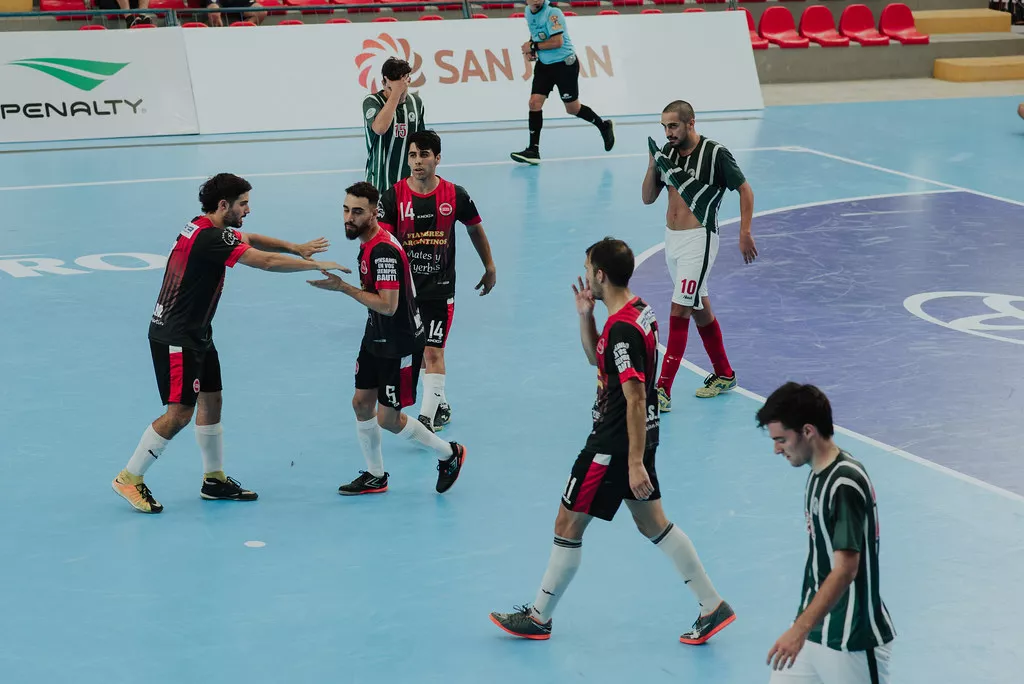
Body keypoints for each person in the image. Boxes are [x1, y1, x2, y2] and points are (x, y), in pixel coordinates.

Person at [489, 237, 734, 644]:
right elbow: (594, 358)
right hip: (637, 437)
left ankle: (539, 616)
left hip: (613, 444)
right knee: (652, 522)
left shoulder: (622, 331)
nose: (585, 275)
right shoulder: (637, 311)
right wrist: (586, 316)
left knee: (566, 523)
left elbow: (636, 395)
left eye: (588, 269)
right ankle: (712, 606)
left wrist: (634, 461)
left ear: (600, 275)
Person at [112, 173, 347, 514]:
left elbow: (248, 237)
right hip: (176, 337)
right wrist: (310, 264)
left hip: (197, 333)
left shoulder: (201, 225)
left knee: (212, 401)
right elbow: (262, 260)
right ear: (224, 205)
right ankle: (129, 477)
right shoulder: (210, 238)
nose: (248, 210)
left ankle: (214, 480)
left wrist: (294, 247)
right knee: (179, 414)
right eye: (243, 204)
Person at [308, 181, 467, 496]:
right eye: (345, 210)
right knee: (361, 402)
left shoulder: (382, 250)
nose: (348, 218)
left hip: (399, 343)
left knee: (388, 418)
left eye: (357, 212)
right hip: (376, 335)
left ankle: (449, 453)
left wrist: (343, 288)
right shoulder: (369, 241)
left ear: (374, 212)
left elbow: (389, 305)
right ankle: (375, 475)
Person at [756, 382, 896, 684]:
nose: (776, 449)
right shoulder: (818, 474)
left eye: (781, 440)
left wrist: (799, 630)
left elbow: (846, 569)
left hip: (852, 639)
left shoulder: (843, 482)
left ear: (808, 431)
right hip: (815, 628)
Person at [377, 130, 497, 432]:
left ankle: (427, 419)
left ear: (437, 159)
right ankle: (440, 402)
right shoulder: (392, 197)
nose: (418, 162)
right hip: (405, 292)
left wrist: (489, 266)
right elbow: (382, 244)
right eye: (413, 155)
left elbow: (474, 229)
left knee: (433, 351)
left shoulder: (455, 194)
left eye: (425, 155)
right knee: (417, 353)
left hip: (440, 290)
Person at [643, 99, 758, 409]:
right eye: (664, 127)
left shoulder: (716, 154)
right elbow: (647, 198)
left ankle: (662, 389)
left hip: (699, 240)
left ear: (691, 123)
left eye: (673, 126)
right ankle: (724, 373)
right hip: (672, 241)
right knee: (698, 307)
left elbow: (744, 189)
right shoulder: (666, 153)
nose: (668, 132)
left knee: (680, 308)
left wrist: (744, 232)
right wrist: (654, 163)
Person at [510, 0, 615, 165]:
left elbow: (557, 42)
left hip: (564, 64)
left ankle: (604, 126)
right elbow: (535, 33)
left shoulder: (553, 13)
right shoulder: (528, 12)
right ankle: (533, 150)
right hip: (544, 65)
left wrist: (532, 46)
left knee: (572, 108)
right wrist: (532, 50)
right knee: (534, 103)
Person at [363, 57, 426, 194]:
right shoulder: (372, 101)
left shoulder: (416, 103)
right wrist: (396, 93)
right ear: (383, 82)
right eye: (392, 87)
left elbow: (422, 143)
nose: (397, 90)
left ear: (408, 80)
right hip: (379, 182)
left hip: (409, 183)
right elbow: (380, 129)